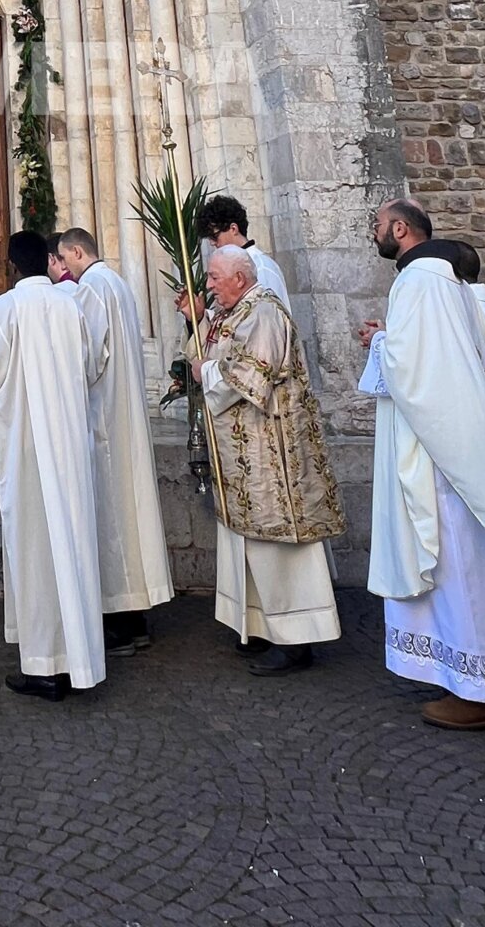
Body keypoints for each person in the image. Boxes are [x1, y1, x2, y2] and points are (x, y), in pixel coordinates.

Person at [361, 198, 485, 731]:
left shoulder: (419, 283)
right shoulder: (459, 286)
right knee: (478, 569)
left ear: (400, 229)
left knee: (461, 572)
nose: (374, 234)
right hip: (471, 446)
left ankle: (482, 690)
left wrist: (380, 342)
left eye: (378, 226)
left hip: (443, 458)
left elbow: (420, 372)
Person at [0, 229, 105, 701]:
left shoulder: (0, 314)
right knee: (73, 542)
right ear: (49, 260)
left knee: (34, 551)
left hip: (26, 449)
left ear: (10, 266)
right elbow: (91, 366)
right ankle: (78, 657)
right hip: (68, 446)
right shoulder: (73, 307)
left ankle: (43, 666)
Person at [192, 247, 343, 674]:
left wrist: (208, 373)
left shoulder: (264, 312)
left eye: (215, 278)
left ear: (240, 277)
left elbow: (250, 374)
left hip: (273, 455)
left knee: (279, 545)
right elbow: (209, 352)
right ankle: (261, 624)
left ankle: (298, 639)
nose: (211, 285)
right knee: (253, 543)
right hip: (247, 452)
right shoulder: (236, 310)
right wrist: (198, 318)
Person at [51, 230, 173, 655]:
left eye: (65, 258)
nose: (64, 267)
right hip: (124, 412)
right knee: (125, 513)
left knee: (111, 518)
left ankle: (121, 621)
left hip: (104, 418)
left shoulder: (92, 289)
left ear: (78, 252)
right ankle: (133, 617)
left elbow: (86, 353)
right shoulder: (118, 283)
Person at [196, 194, 290, 311]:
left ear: (233, 229)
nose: (212, 243)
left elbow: (271, 316)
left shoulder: (261, 267)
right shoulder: (229, 265)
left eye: (214, 236)